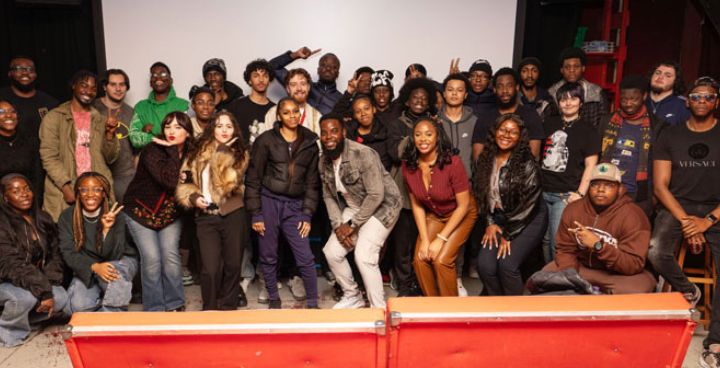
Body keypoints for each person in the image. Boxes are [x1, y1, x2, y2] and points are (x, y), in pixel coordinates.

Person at [645, 77, 720, 368]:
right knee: (654, 250)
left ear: (717, 101)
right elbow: (661, 187)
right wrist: (688, 222)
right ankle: (688, 289)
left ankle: (715, 341)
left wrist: (708, 221)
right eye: (696, 96)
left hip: (716, 208)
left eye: (708, 97)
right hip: (679, 205)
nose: (702, 101)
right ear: (686, 101)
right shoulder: (670, 135)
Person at [319, 115, 401, 308]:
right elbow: (329, 196)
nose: (329, 136)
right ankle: (352, 295)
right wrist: (339, 226)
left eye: (334, 131)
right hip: (355, 207)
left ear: (344, 133)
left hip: (383, 207)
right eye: (324, 132)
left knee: (364, 256)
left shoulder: (363, 154)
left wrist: (352, 226)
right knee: (331, 252)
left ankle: (378, 308)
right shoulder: (323, 160)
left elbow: (376, 195)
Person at [245, 98, 320, 309]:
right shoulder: (266, 140)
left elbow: (313, 183)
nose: (292, 116)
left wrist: (307, 214)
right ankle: (273, 298)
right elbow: (253, 178)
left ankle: (313, 303)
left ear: (300, 114)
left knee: (305, 255)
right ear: (279, 116)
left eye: (295, 111)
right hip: (268, 202)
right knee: (268, 255)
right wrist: (256, 213)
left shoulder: (310, 143)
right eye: (286, 113)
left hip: (295, 206)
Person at [545, 163, 656, 294]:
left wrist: (598, 246)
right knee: (542, 278)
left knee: (638, 289)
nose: (600, 190)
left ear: (619, 188)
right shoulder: (573, 209)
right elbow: (564, 249)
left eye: (609, 185)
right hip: (581, 268)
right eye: (595, 184)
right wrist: (570, 275)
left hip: (617, 275)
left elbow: (633, 264)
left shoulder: (633, 215)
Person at [177, 111, 249, 310]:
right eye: (219, 126)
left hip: (232, 213)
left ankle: (227, 306)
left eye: (228, 126)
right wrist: (193, 197)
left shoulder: (240, 153)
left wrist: (223, 152)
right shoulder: (197, 152)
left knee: (233, 265)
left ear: (234, 129)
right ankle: (209, 309)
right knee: (210, 268)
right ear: (212, 128)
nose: (224, 130)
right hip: (206, 216)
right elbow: (185, 180)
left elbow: (225, 185)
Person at [123, 111, 193, 311]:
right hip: (140, 211)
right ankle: (154, 308)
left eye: (178, 127)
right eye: (168, 127)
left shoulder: (192, 152)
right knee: (152, 258)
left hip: (169, 214)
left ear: (188, 132)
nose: (172, 131)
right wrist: (172, 151)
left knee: (170, 255)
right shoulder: (152, 150)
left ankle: (175, 303)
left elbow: (193, 181)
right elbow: (169, 181)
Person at [402, 118, 477, 296]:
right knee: (420, 259)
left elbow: (463, 205)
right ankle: (432, 307)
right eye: (418, 134)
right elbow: (417, 204)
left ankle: (449, 311)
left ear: (437, 137)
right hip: (435, 214)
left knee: (441, 260)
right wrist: (425, 240)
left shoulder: (453, 162)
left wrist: (440, 239)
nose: (423, 139)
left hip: (461, 213)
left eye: (429, 134)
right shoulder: (409, 165)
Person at [474, 114, 546, 295]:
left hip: (529, 218)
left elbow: (529, 205)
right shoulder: (484, 159)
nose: (506, 135)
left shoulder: (527, 164)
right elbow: (482, 196)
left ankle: (516, 313)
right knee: (485, 266)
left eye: (513, 132)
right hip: (499, 217)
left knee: (507, 264)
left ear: (520, 137)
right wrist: (490, 223)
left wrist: (508, 233)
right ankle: (497, 307)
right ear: (495, 132)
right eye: (503, 130)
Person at [39, 70, 120, 221]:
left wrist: (110, 134)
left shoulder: (101, 120)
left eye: (93, 88)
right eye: (84, 85)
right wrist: (66, 187)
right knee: (68, 237)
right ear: (73, 86)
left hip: (95, 190)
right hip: (65, 190)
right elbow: (48, 157)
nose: (88, 91)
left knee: (99, 237)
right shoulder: (54, 118)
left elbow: (111, 158)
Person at [0, 174, 69, 347]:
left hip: (29, 278)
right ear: (5, 197)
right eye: (16, 191)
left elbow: (55, 254)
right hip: (6, 279)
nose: (24, 194)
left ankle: (27, 320)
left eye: (26, 189)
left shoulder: (42, 218)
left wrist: (49, 283)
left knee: (60, 297)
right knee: (23, 299)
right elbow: (12, 264)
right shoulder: (2, 223)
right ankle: (9, 332)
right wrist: (43, 292)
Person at [386, 77, 438, 297]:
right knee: (402, 246)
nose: (419, 101)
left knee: (423, 243)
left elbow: (441, 154)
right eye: (415, 97)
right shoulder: (397, 124)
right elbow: (395, 153)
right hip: (404, 195)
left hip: (428, 194)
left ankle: (421, 282)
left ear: (429, 103)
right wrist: (418, 134)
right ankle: (405, 285)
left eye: (424, 99)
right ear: (407, 101)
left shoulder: (435, 125)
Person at [59, 172, 138, 312]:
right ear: (78, 193)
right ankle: (104, 300)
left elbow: (115, 254)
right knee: (76, 306)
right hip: (88, 264)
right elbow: (68, 253)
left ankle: (110, 318)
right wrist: (94, 267)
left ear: (104, 193)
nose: (90, 194)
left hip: (120, 260)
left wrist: (106, 231)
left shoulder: (115, 213)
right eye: (84, 189)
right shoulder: (67, 216)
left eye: (97, 189)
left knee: (112, 272)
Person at [541, 82, 600, 262]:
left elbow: (591, 165)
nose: (568, 103)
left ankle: (558, 282)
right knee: (544, 240)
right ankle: (547, 278)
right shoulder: (549, 123)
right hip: (542, 192)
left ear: (581, 102)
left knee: (558, 241)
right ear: (558, 103)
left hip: (565, 195)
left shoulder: (588, 129)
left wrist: (580, 193)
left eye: (573, 98)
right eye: (563, 99)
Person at [598, 75, 668, 216]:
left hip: (640, 196)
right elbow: (596, 155)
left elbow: (661, 164)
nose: (628, 103)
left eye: (633, 99)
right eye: (624, 99)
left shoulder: (658, 126)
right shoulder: (607, 121)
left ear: (644, 96)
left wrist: (654, 198)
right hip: (607, 189)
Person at [471, 68, 545, 161]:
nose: (504, 91)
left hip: (522, 173)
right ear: (494, 89)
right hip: (491, 173)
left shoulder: (530, 115)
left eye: (509, 86)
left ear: (517, 88)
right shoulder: (485, 118)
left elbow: (534, 156)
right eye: (500, 86)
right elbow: (477, 158)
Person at [93, 69, 135, 203]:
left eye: (122, 84)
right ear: (105, 87)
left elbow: (136, 146)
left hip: (125, 176)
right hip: (99, 173)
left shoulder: (131, 112)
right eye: (113, 84)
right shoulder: (93, 108)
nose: (118, 89)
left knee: (126, 218)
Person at [129, 62, 189, 150]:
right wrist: (168, 137)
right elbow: (135, 139)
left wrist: (149, 135)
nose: (158, 77)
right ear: (150, 82)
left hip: (178, 159)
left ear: (171, 80)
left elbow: (187, 137)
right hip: (149, 159)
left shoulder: (184, 105)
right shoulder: (141, 106)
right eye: (154, 75)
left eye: (163, 74)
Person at [269, 47, 342, 114]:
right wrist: (296, 55)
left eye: (333, 67)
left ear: (338, 73)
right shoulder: (302, 87)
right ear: (318, 70)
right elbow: (271, 67)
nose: (328, 69)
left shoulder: (342, 100)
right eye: (324, 65)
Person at [0, 56, 58, 138]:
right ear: (10, 73)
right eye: (19, 69)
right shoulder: (2, 97)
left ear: (35, 74)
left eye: (30, 69)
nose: (25, 73)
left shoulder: (50, 102)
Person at [548, 48, 608, 127]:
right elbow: (547, 123)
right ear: (561, 70)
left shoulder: (596, 93)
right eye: (567, 67)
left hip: (589, 137)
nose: (572, 70)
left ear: (583, 68)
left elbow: (602, 124)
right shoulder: (552, 93)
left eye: (576, 66)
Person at [226, 59, 276, 144]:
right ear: (249, 80)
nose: (261, 79)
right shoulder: (236, 107)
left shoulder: (275, 110)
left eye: (265, 76)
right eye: (256, 76)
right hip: (241, 156)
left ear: (269, 80)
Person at [0, 100, 43, 201]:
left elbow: (38, 176)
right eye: (1, 112)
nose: (9, 115)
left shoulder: (30, 141)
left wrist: (34, 202)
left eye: (12, 111)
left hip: (28, 199)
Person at [262, 69, 321, 136]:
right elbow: (266, 143)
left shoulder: (316, 117)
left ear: (308, 87)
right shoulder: (273, 113)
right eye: (293, 85)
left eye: (303, 84)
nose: (299, 88)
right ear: (287, 89)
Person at [438, 73, 477, 175]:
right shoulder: (434, 121)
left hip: (467, 181)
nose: (454, 93)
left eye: (459, 90)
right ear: (444, 94)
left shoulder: (475, 121)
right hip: (439, 181)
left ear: (465, 95)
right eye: (450, 90)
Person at [346, 94, 392, 171]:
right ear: (354, 115)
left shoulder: (385, 131)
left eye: (366, 108)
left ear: (373, 109)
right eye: (358, 111)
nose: (363, 113)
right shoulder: (350, 135)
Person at [646, 60, 690, 126]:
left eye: (668, 75)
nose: (660, 77)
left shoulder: (683, 106)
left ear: (676, 81)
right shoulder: (639, 100)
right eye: (657, 73)